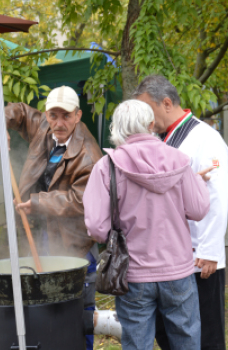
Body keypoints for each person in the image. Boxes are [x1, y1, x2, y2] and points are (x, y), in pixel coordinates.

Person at [83, 99, 211, 350]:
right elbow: (198, 209)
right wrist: (198, 183)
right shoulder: (179, 160)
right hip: (178, 271)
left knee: (137, 343)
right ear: (152, 124)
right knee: (186, 341)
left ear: (116, 127)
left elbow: (97, 228)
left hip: (133, 274)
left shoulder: (106, 167)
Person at [0, 86, 103, 350]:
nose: (59, 123)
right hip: (44, 232)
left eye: (66, 116)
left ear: (78, 115)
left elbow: (80, 200)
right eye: (53, 115)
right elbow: (19, 110)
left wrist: (37, 202)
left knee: (77, 308)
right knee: (47, 302)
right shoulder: (44, 127)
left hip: (76, 242)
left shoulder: (89, 157)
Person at [134, 75, 228, 350]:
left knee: (207, 332)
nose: (145, 118)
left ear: (166, 103)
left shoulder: (205, 138)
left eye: (147, 110)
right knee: (169, 332)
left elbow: (217, 196)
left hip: (201, 257)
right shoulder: (158, 138)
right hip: (168, 255)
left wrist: (210, 251)